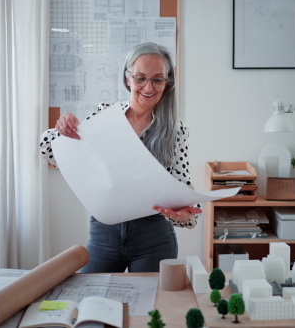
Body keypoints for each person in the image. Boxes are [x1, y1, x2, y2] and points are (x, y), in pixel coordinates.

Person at [40, 42, 202, 273]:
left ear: (167, 84)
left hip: (153, 238)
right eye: (140, 78)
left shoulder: (175, 131)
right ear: (127, 79)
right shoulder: (106, 115)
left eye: (157, 79)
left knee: (151, 308)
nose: (148, 87)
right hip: (104, 235)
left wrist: (185, 214)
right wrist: (62, 132)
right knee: (93, 302)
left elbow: (184, 189)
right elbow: (50, 152)